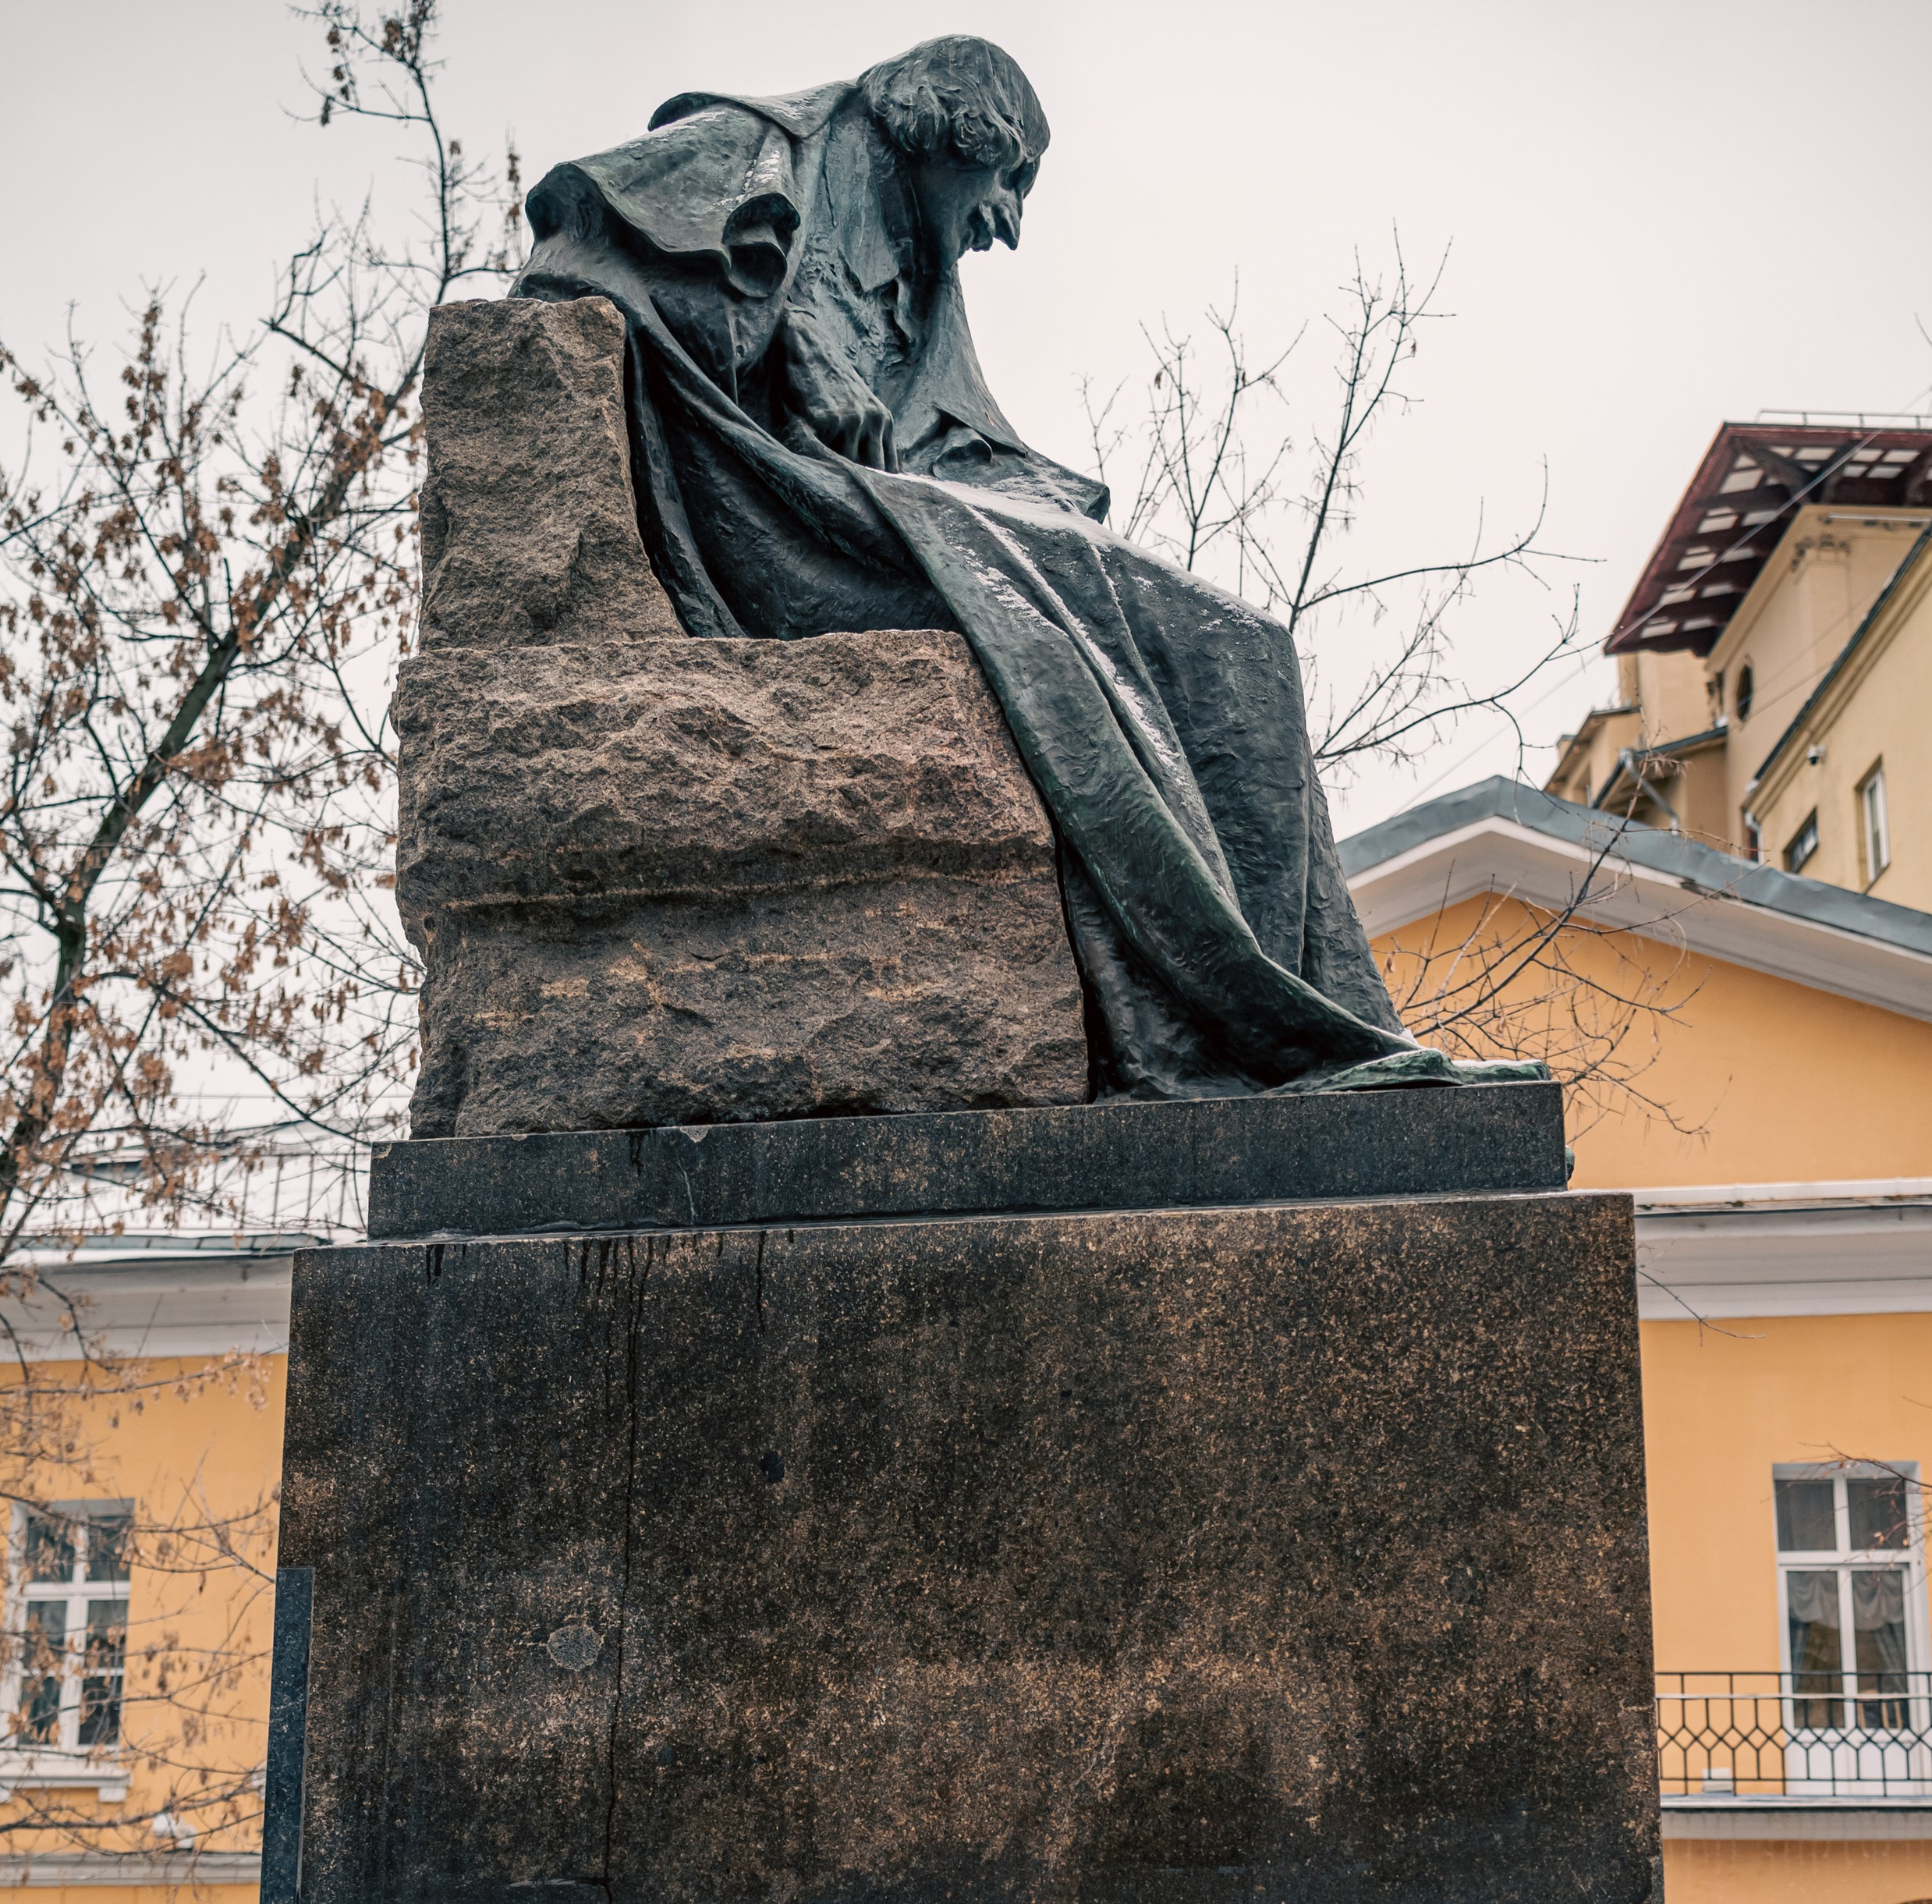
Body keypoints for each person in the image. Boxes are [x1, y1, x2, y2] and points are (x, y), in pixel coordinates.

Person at [509, 39, 1545, 1104]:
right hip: (784, 519)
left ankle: (1323, 1020)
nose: (1007, 222)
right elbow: (568, 255)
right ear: (946, 133)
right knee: (1129, 630)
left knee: (1239, 644)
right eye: (1009, 180)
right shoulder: (759, 148)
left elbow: (958, 448)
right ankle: (1259, 1031)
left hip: (901, 519)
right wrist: (783, 335)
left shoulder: (921, 275)